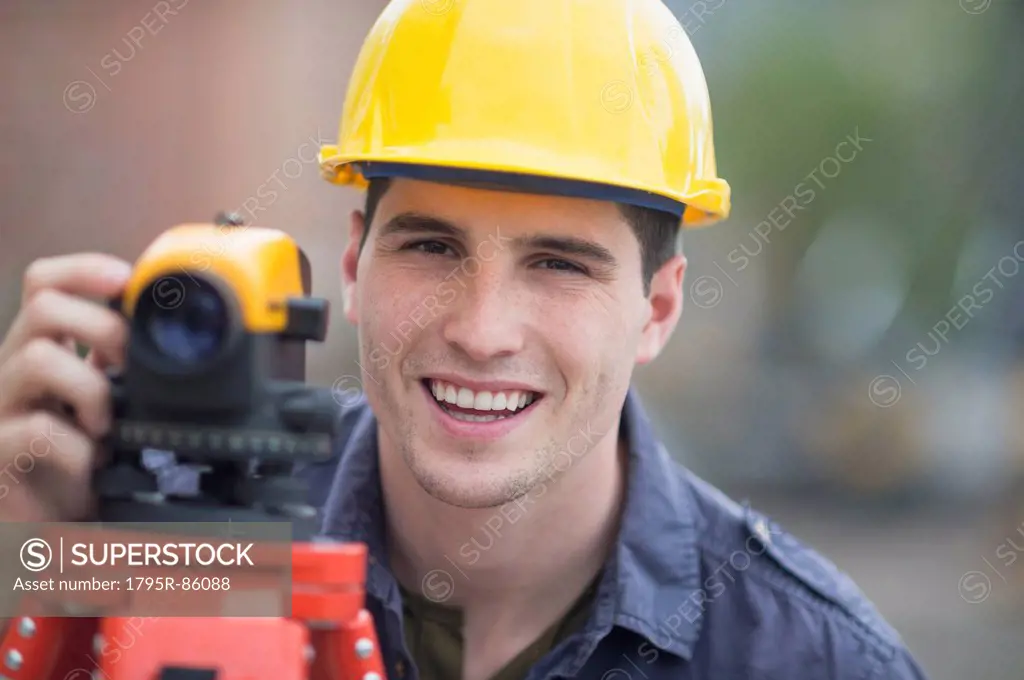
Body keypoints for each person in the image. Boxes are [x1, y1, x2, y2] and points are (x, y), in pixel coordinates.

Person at [0, 1, 930, 678]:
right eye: (433, 245)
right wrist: (29, 561)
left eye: (559, 264)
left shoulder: (814, 660)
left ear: (657, 308)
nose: (482, 331)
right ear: (356, 266)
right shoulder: (155, 561)